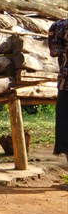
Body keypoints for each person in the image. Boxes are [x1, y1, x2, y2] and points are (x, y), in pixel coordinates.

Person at [48, 19, 68, 162]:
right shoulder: (60, 26)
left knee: (65, 130)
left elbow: (54, 51)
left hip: (65, 84)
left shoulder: (59, 27)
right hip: (65, 84)